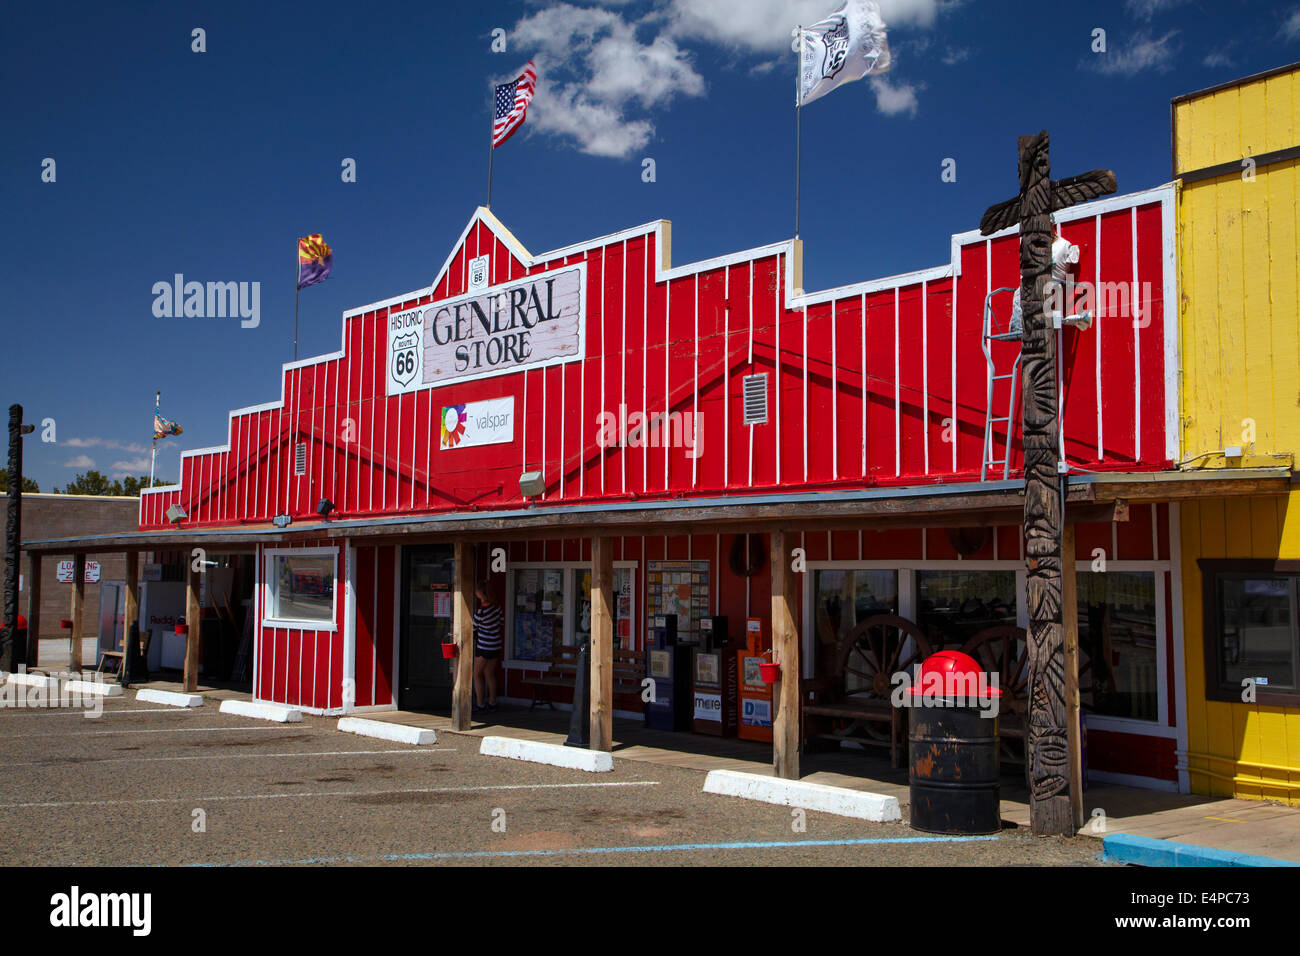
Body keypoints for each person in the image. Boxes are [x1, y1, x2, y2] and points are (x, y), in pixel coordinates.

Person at [472, 582, 503, 711]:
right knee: (489, 673)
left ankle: (480, 703)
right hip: (495, 644)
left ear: (482, 593)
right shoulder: (497, 608)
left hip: (484, 646)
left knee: (476, 674)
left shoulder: (481, 611)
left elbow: (474, 626)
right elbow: (501, 623)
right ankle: (492, 701)